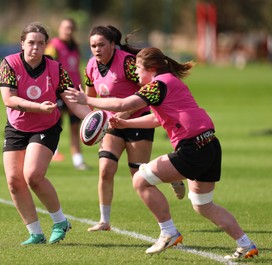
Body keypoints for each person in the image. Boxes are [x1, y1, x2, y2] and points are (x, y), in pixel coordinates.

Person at [65, 47, 258, 259]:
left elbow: (122, 103)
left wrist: (88, 100)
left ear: (151, 68)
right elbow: (158, 119)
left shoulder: (158, 85)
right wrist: (126, 123)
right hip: (210, 144)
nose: (136, 73)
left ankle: (168, 232)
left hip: (193, 148)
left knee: (140, 180)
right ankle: (245, 244)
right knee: (203, 205)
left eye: (138, 68)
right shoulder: (168, 82)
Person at [82, 25, 185, 232]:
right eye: (93, 46)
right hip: (112, 123)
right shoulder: (91, 66)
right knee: (105, 170)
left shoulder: (127, 62)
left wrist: (127, 114)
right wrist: (95, 122)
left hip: (138, 118)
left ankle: (173, 177)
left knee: (139, 174)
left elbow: (146, 89)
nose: (97, 49)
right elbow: (90, 97)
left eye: (101, 44)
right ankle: (104, 221)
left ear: (112, 44)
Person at [0, 22, 91, 245]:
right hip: (16, 127)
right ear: (22, 43)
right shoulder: (9, 64)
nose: (35, 48)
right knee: (13, 180)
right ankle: (35, 233)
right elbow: (9, 99)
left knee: (32, 175)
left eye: (40, 43)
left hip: (46, 127)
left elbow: (71, 99)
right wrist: (38, 106)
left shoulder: (56, 68)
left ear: (46, 46)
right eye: (30, 43)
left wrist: (92, 119)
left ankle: (60, 222)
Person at [45, 18, 89, 170]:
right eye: (65, 28)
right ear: (59, 29)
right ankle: (51, 154)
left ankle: (78, 160)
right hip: (59, 92)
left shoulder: (75, 47)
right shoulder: (53, 46)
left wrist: (82, 89)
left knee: (75, 127)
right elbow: (49, 67)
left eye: (71, 28)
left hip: (74, 91)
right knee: (55, 124)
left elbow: (76, 69)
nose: (68, 31)